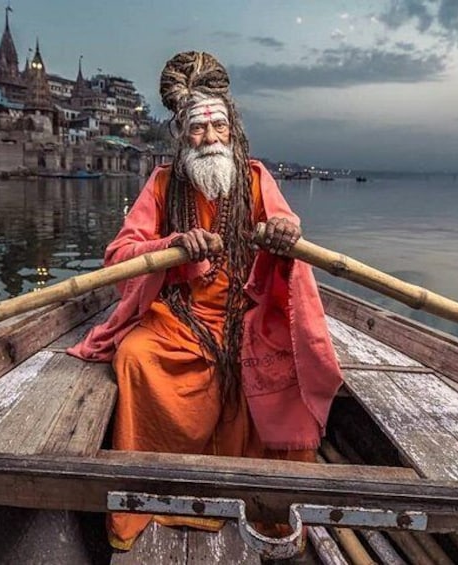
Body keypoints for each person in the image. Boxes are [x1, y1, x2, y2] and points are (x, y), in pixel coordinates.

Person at [68, 51, 342, 551]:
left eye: (218, 126)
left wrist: (285, 230)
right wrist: (169, 248)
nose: (210, 138)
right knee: (135, 358)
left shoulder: (257, 178)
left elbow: (290, 232)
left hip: (249, 314)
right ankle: (156, 497)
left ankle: (267, 503)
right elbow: (119, 257)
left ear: (232, 127)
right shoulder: (163, 183)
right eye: (197, 129)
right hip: (180, 317)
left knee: (286, 361)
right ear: (181, 132)